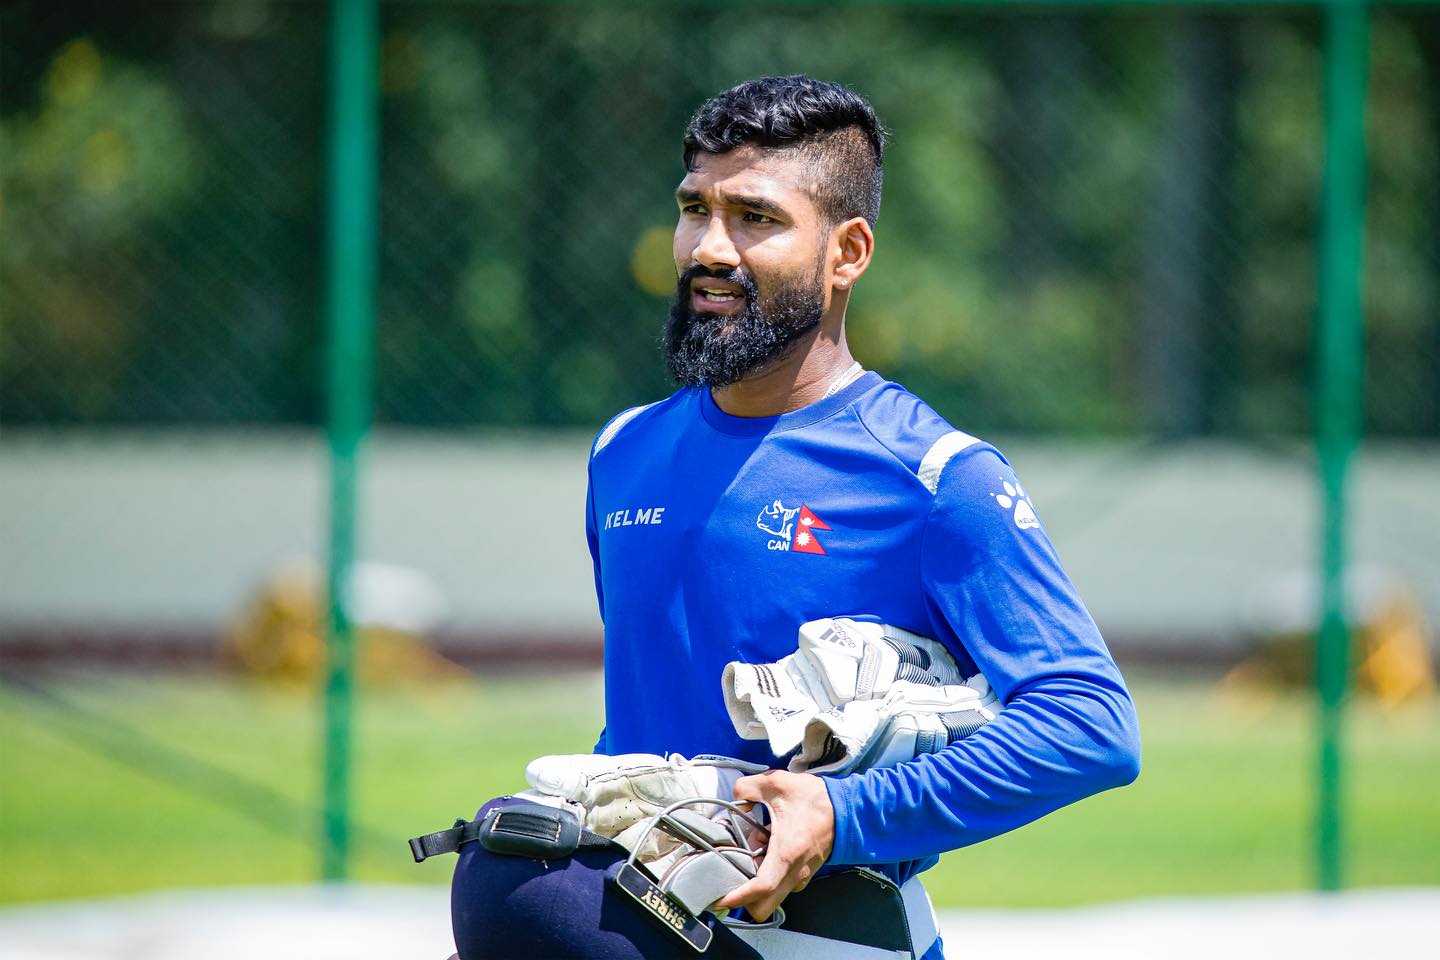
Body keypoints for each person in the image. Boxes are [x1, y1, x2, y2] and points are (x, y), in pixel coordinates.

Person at [451, 74, 1141, 960]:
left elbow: (1091, 724)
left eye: (755, 218)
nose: (709, 247)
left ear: (847, 252)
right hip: (663, 918)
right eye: (694, 209)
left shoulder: (937, 476)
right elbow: (652, 726)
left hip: (833, 938)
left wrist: (844, 812)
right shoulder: (623, 450)